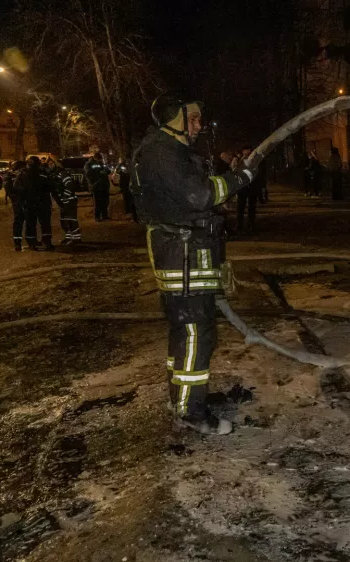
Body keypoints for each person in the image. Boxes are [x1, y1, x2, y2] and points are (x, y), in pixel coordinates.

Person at [130, 93, 260, 435]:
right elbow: (199, 195)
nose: (199, 125)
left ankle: (183, 396)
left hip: (186, 254)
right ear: (175, 118)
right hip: (184, 256)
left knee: (185, 332)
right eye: (194, 119)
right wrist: (240, 179)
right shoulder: (163, 152)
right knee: (196, 333)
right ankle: (190, 411)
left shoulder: (165, 150)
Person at [26, 156, 56, 251]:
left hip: (31, 203)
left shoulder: (25, 174)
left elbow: (19, 188)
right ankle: (47, 243)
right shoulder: (43, 173)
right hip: (43, 202)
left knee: (31, 224)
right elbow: (51, 186)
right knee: (45, 224)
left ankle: (32, 244)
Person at [49, 159, 81, 245]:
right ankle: (69, 237)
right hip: (63, 202)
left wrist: (65, 197)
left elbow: (70, 185)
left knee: (71, 220)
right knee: (64, 220)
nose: (50, 166)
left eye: (51, 164)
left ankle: (76, 238)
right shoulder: (55, 174)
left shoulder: (62, 173)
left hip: (69, 201)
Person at [7, 160, 37, 251]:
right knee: (29, 222)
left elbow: (9, 190)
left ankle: (17, 244)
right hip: (25, 202)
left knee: (18, 223)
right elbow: (30, 188)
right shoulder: (26, 174)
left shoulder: (11, 176)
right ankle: (31, 243)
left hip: (17, 203)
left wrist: (14, 199)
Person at [236, 147, 261, 232]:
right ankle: (239, 224)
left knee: (251, 206)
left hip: (252, 186)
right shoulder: (239, 159)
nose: (248, 152)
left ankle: (250, 224)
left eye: (249, 150)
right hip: (242, 187)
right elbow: (236, 169)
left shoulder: (255, 160)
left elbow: (259, 172)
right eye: (246, 150)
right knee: (240, 206)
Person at [85, 152, 110, 221]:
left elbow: (108, 170)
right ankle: (97, 217)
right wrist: (98, 172)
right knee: (97, 203)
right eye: (99, 159)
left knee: (105, 202)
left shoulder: (101, 163)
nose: (100, 160)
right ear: (96, 158)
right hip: (96, 186)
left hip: (103, 186)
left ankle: (104, 216)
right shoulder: (88, 164)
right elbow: (88, 174)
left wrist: (106, 172)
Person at [115, 157, 136, 222]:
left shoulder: (132, 163)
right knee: (127, 199)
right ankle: (128, 212)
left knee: (132, 199)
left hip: (130, 184)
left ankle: (133, 215)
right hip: (125, 185)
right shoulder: (121, 165)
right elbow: (117, 171)